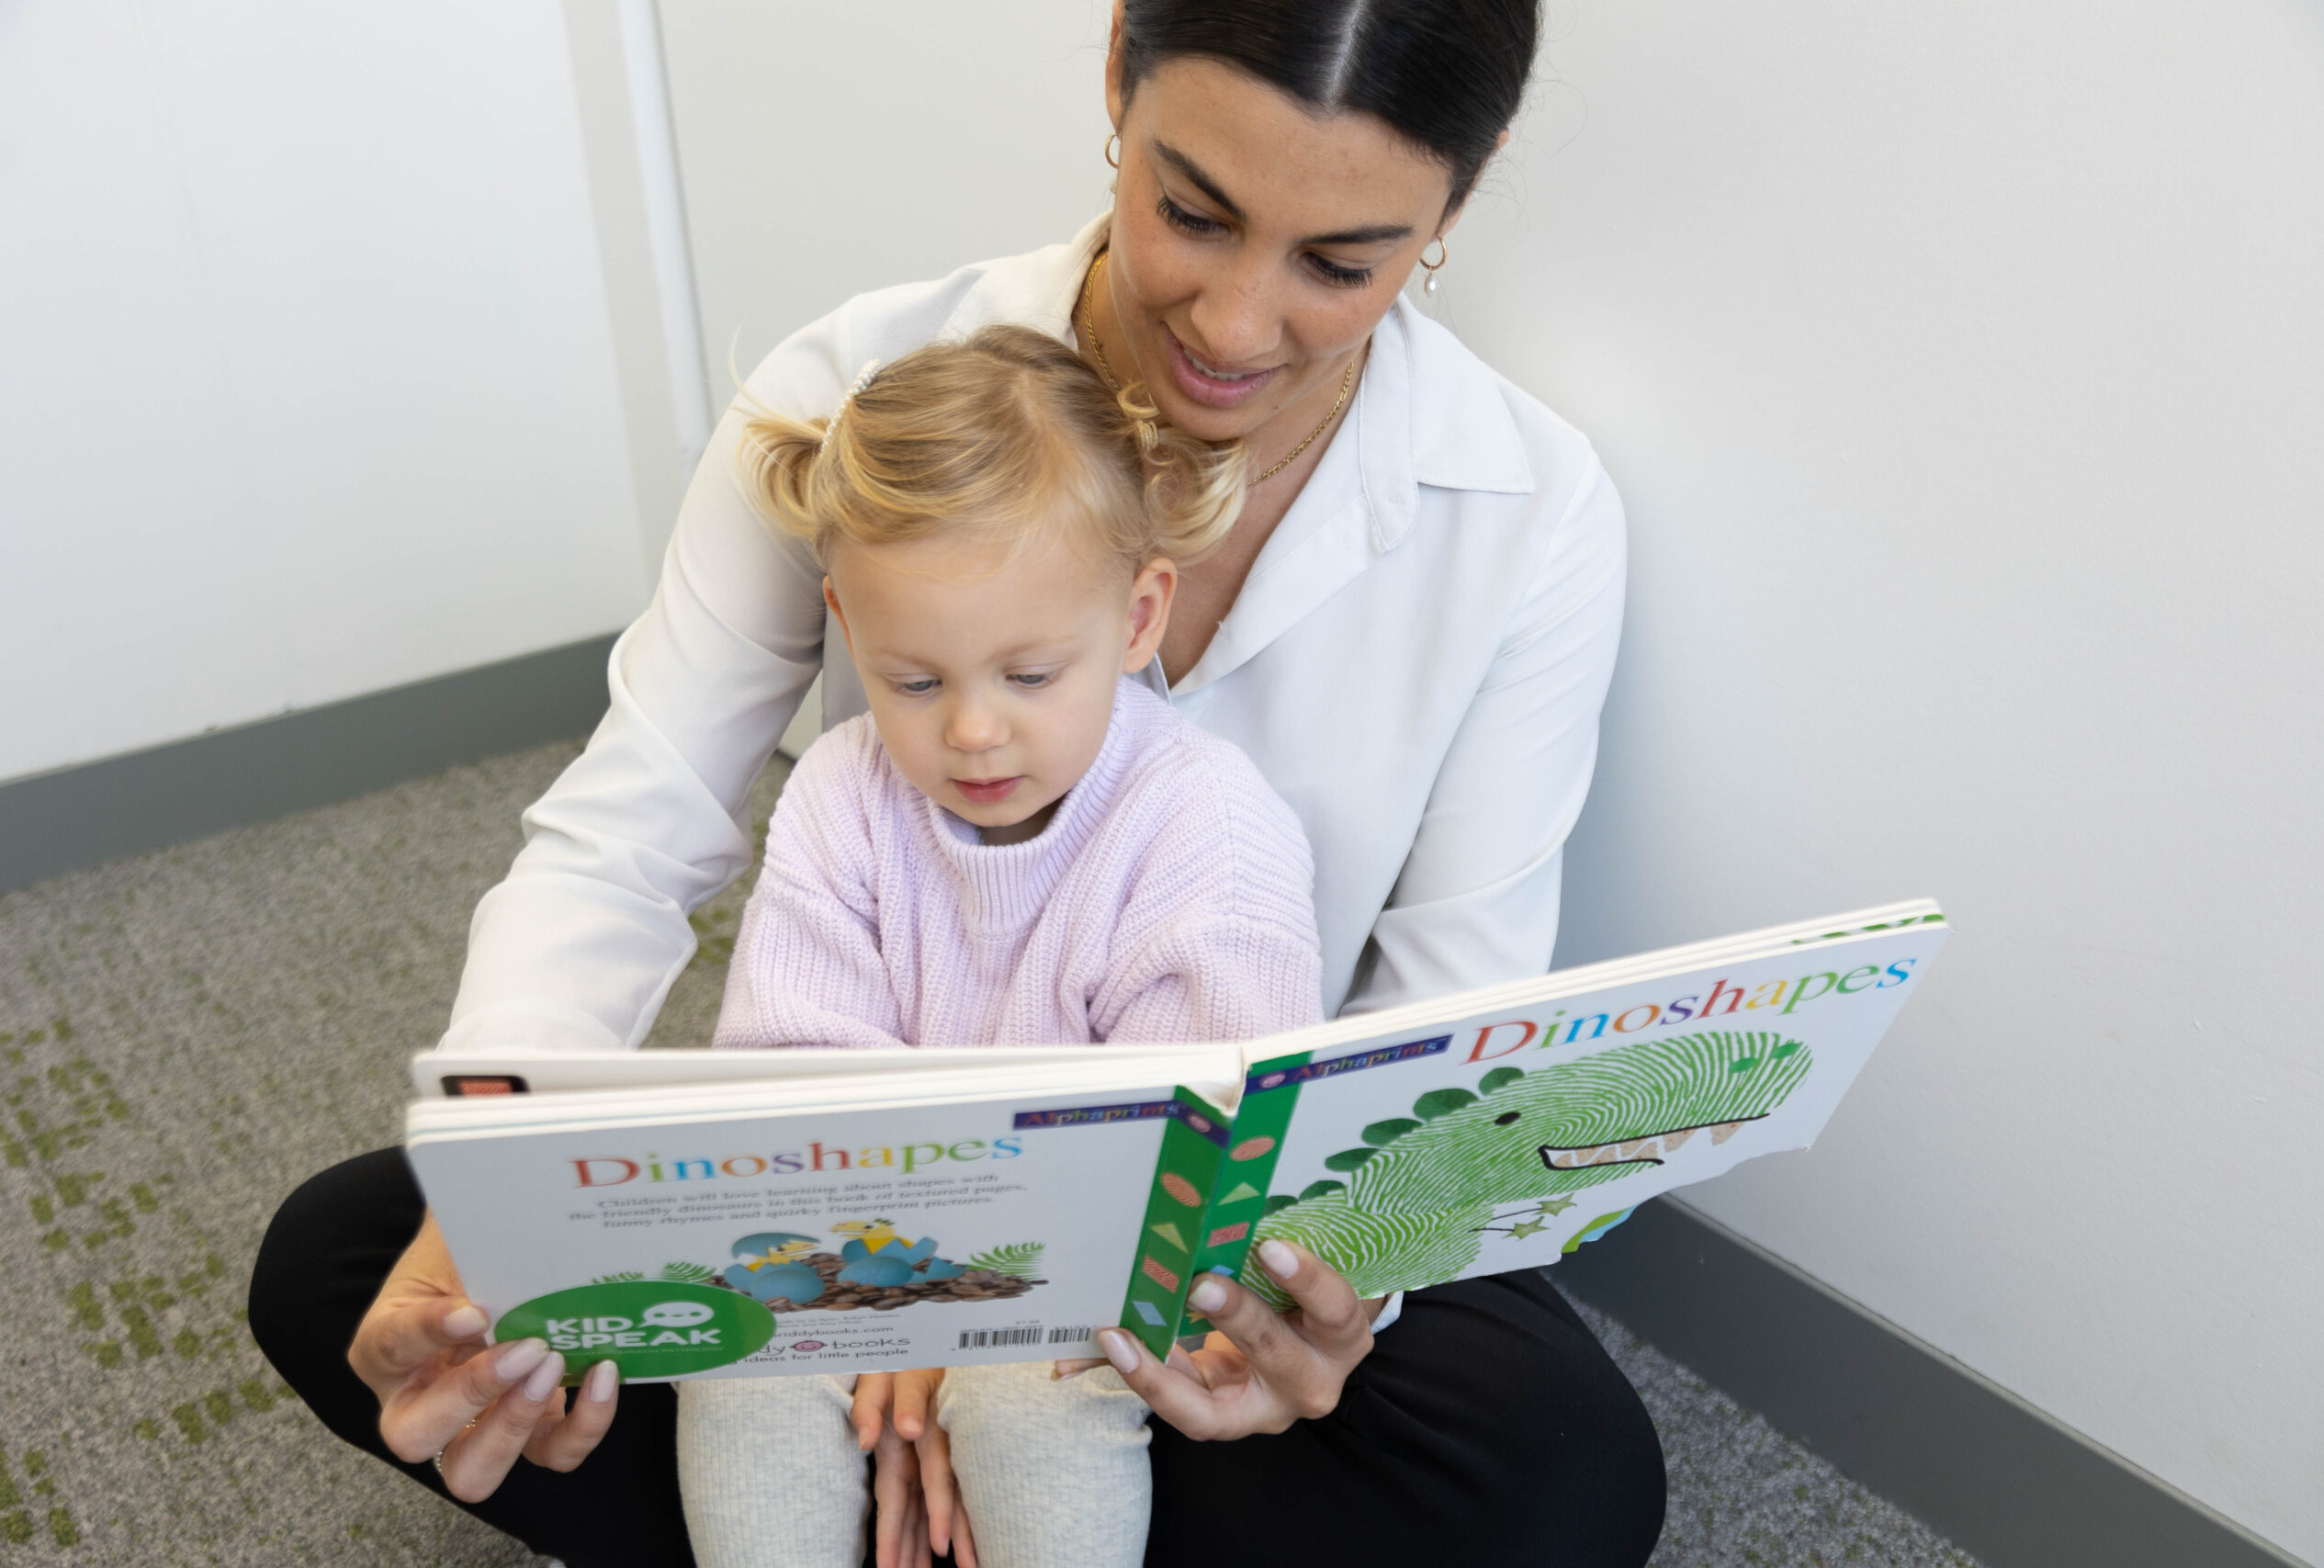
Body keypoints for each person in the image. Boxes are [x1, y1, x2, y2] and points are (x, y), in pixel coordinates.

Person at [250, 2, 1668, 1564]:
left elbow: (1442, 1036)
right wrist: (504, 1208)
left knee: (1563, 1472)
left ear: (1455, 206)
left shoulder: (1530, 514)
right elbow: (628, 832)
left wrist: (1314, 1309)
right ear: (1119, 68)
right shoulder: (858, 395)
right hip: (845, 1190)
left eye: (1341, 264)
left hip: (1208, 1235)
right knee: (349, 1265)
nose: (1238, 327)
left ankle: (999, 1480)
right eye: (1191, 213)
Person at [679, 325, 1326, 1568]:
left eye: (1030, 673)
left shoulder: (1207, 825)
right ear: (844, 623)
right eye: (912, 681)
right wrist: (894, 1313)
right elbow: (798, 1088)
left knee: (1035, 1395)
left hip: (1098, 1263)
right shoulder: (837, 791)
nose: (974, 732)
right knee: (737, 1364)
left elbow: (1198, 1164)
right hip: (865, 1243)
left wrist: (962, 1329)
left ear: (1140, 615)